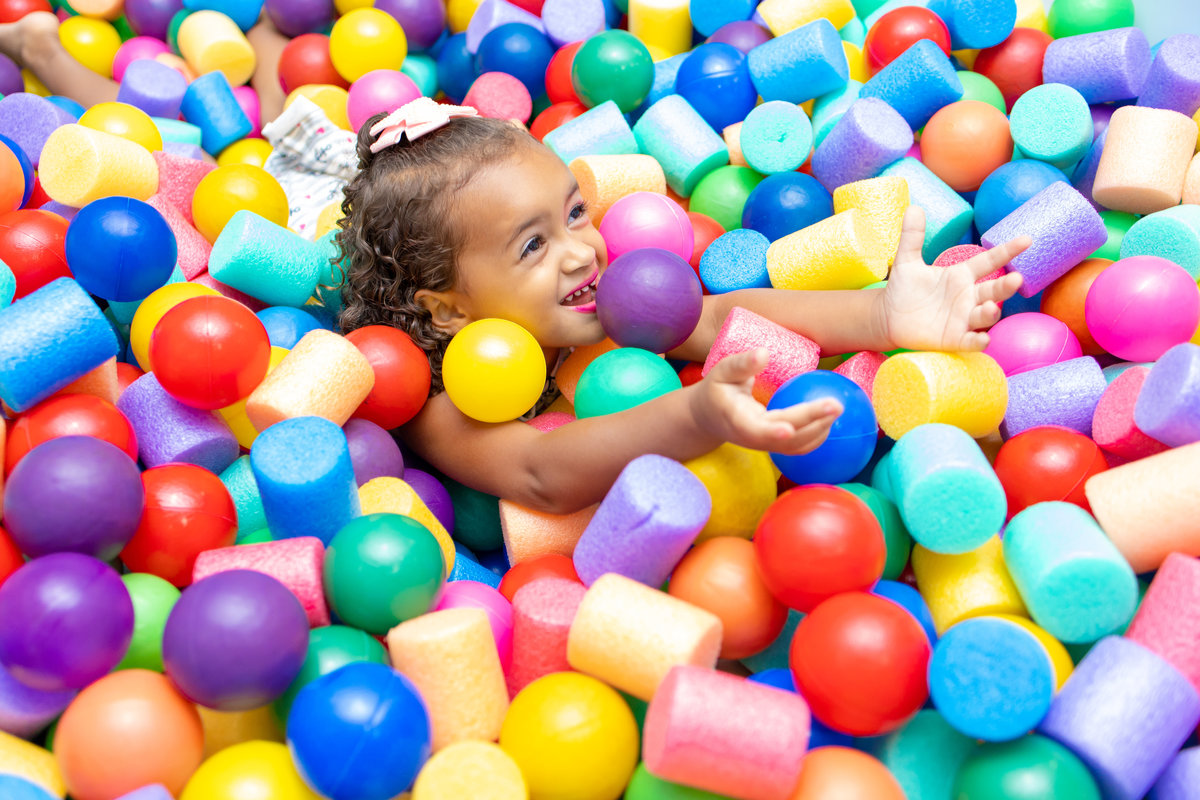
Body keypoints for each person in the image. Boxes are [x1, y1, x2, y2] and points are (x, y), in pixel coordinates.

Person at [327, 97, 1029, 514]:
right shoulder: (428, 396)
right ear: (447, 308)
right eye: (532, 246)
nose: (581, 252)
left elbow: (718, 318)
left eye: (575, 213)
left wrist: (879, 315)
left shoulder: (601, 302)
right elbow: (541, 473)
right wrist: (695, 417)